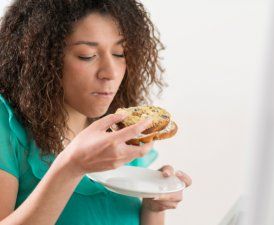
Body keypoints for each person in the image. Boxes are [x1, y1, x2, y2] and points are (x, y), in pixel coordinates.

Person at [0, 0, 192, 224]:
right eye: (87, 55)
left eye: (120, 53)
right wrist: (71, 166)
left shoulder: (122, 131)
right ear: (41, 59)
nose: (110, 72)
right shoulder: (6, 125)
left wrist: (153, 206)